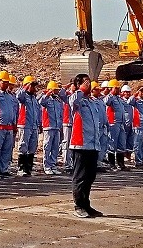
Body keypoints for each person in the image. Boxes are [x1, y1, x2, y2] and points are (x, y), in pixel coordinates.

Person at [68, 74, 106, 218]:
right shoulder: (77, 100)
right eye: (85, 82)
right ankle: (78, 205)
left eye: (88, 82)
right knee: (80, 177)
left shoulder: (91, 101)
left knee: (90, 176)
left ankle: (86, 204)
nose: (88, 85)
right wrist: (80, 89)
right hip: (80, 144)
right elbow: (72, 100)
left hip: (93, 144)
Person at [15, 76, 41, 177]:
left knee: (32, 147)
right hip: (24, 125)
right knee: (23, 146)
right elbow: (18, 96)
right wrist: (25, 87)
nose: (34, 88)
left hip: (33, 126)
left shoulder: (33, 98)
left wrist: (38, 124)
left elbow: (37, 112)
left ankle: (28, 168)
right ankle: (21, 168)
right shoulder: (23, 96)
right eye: (32, 85)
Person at [40, 81, 66, 174]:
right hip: (48, 126)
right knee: (47, 147)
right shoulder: (46, 99)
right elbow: (41, 102)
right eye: (55, 90)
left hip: (57, 127)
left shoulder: (58, 100)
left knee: (55, 148)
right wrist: (47, 95)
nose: (57, 92)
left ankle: (53, 165)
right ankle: (47, 166)